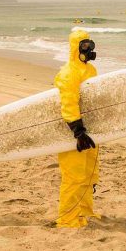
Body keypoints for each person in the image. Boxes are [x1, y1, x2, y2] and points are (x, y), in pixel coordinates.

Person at [53, 29, 100, 228]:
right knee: (74, 176)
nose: (89, 50)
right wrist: (77, 130)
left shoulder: (89, 70)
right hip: (72, 132)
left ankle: (85, 211)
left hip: (89, 130)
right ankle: (67, 219)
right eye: (84, 46)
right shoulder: (68, 73)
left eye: (90, 45)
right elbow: (68, 102)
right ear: (76, 47)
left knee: (90, 172)